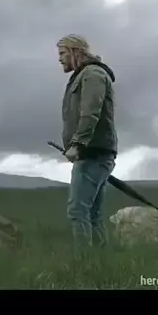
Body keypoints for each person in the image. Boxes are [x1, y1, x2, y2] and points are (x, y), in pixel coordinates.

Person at [57, 34, 118, 248]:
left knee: (78, 210)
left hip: (92, 153)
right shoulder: (85, 75)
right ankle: (99, 261)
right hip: (94, 152)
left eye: (63, 53)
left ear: (75, 51)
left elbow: (91, 112)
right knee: (92, 213)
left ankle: (84, 261)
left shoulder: (92, 74)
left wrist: (78, 144)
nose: (60, 59)